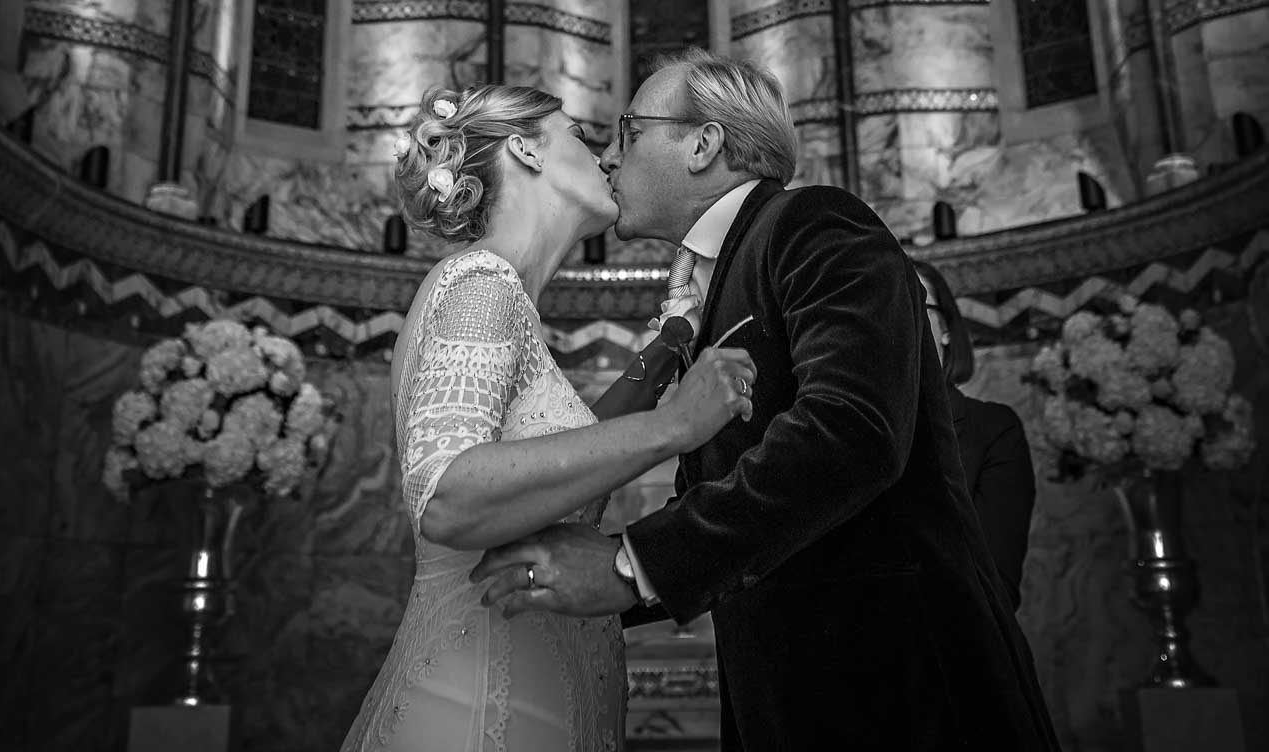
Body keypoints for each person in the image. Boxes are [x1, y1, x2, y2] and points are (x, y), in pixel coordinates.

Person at [473, 50, 1062, 752]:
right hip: (799, 699)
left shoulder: (815, 223)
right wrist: (574, 575)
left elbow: (850, 431)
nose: (607, 157)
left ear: (703, 143)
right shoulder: (724, 275)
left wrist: (632, 566)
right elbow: (728, 494)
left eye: (628, 132)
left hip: (903, 691)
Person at [339, 81, 756, 752]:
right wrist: (677, 425)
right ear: (528, 150)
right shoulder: (480, 282)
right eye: (586, 141)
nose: (608, 160)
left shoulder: (504, 296)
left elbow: (567, 457)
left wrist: (674, 337)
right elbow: (446, 494)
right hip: (475, 705)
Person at [914, 257, 1036, 611]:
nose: (901, 320)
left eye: (914, 304)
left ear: (947, 327)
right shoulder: (850, 430)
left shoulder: (993, 430)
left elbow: (995, 588)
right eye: (884, 307)